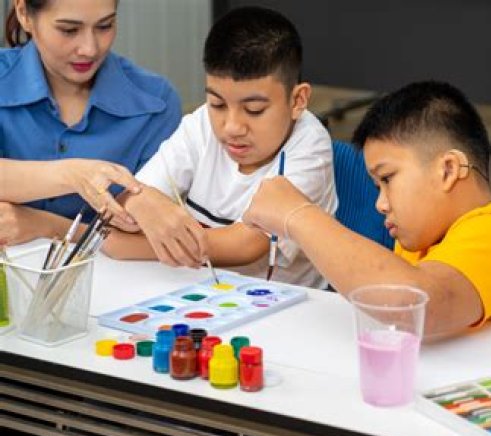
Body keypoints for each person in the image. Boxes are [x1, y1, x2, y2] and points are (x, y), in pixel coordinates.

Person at [243, 81, 491, 339]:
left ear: (448, 170)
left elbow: (413, 305)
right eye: (377, 187)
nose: (380, 203)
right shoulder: (420, 247)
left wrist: (298, 215)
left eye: (387, 179)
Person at [104, 6, 337, 288]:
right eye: (217, 104)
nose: (231, 127)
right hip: (198, 290)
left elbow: (245, 245)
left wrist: (125, 243)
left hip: (282, 300)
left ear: (297, 100)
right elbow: (128, 202)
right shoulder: (201, 123)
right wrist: (139, 203)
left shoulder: (310, 145)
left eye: (254, 110)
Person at [0, 0, 182, 245]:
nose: (90, 49)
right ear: (24, 14)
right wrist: (72, 175)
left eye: (104, 26)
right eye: (69, 30)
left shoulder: (157, 102)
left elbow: (151, 233)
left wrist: (44, 225)